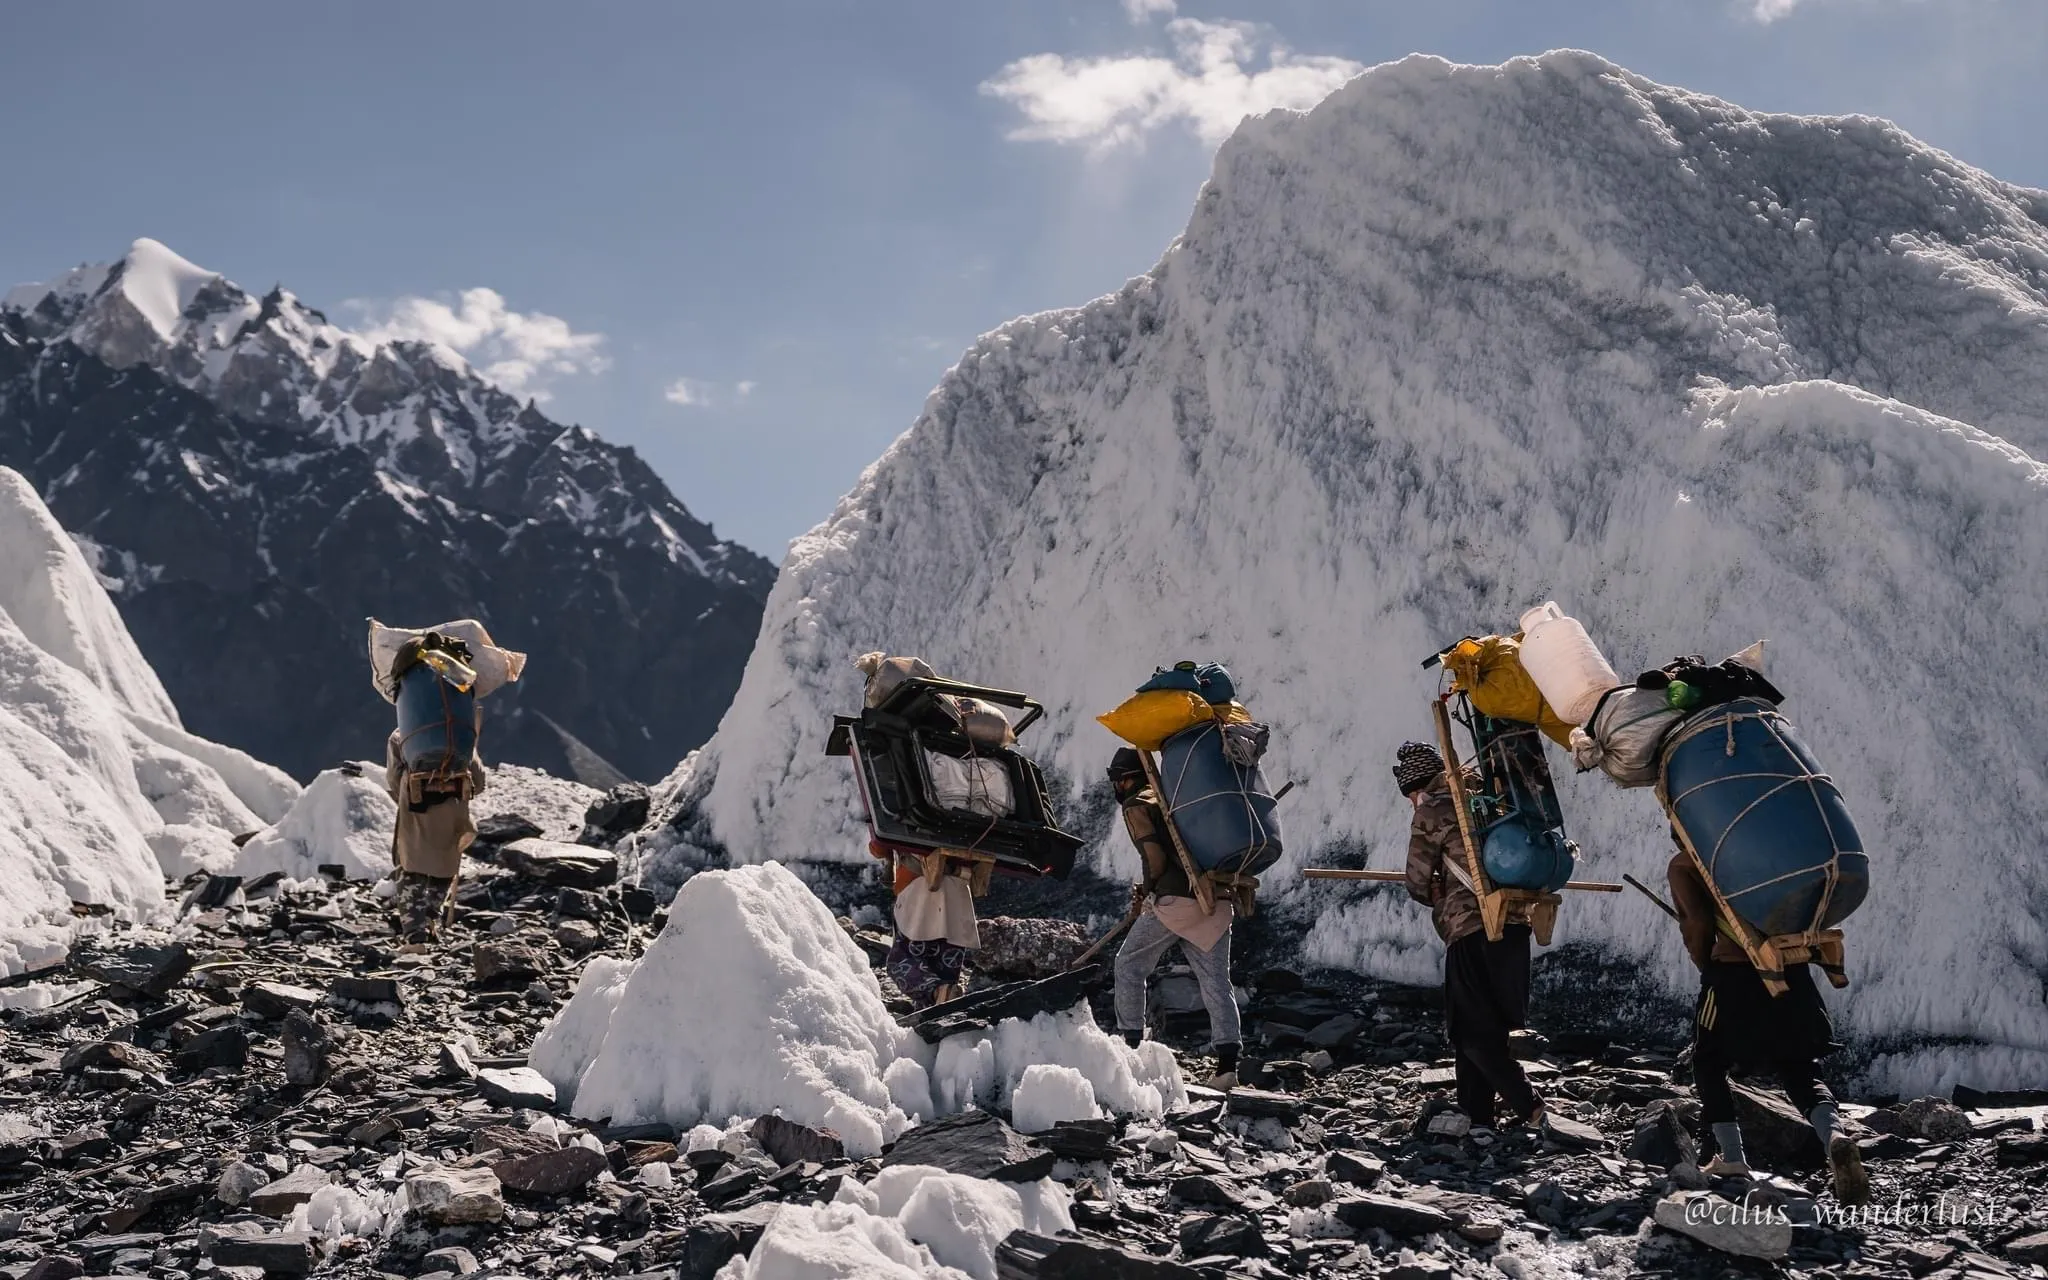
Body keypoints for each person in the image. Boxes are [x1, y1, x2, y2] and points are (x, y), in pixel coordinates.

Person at [1668, 841, 1869, 1203]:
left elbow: (1695, 924)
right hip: (1792, 970)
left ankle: (1731, 1158)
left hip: (1733, 978)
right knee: (1799, 1065)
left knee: (1708, 1061)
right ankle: (1834, 1136)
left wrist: (1708, 967)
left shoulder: (1688, 863)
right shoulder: (1776, 845)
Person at [1397, 740, 1544, 1131]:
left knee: (1472, 1029)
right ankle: (1478, 1116)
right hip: (1514, 920)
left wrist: (1434, 890)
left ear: (1418, 787)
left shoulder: (1434, 809)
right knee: (1485, 1024)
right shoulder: (1489, 797)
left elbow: (1415, 880)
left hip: (1470, 926)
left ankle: (1530, 1107)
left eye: (1410, 794)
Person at [1107, 748, 1242, 1090]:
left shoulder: (1136, 804)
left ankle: (1132, 1047)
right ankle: (1227, 1067)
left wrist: (1149, 894)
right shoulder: (1175, 797)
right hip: (1213, 898)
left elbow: (1155, 858)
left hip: (1175, 903)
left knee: (1129, 965)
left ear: (1123, 779)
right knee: (1216, 983)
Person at [385, 721, 485, 946]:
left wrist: (403, 795)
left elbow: (393, 777)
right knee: (444, 866)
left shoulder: (402, 735)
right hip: (453, 812)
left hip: (416, 809)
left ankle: (414, 936)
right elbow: (478, 780)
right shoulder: (460, 733)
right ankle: (431, 919)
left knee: (411, 870)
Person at [875, 841, 982, 1009]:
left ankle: (935, 994)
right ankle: (940, 1004)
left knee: (900, 961)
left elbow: (879, 845)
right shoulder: (970, 827)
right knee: (944, 971)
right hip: (959, 894)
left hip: (921, 890)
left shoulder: (907, 819)